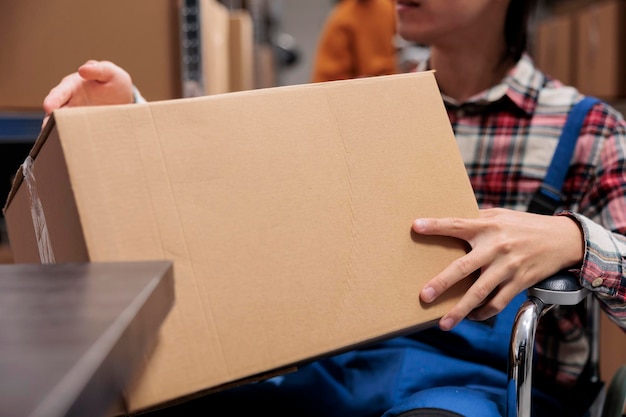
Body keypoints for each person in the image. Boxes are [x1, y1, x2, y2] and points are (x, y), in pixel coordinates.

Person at [42, 0, 626, 416]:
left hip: (485, 385)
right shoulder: (366, 106)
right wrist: (127, 122)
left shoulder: (588, 130)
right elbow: (242, 203)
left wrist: (572, 240)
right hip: (339, 365)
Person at [310, 0, 398, 83]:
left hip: (386, 87)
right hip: (367, 91)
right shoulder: (343, 19)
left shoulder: (390, 9)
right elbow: (330, 79)